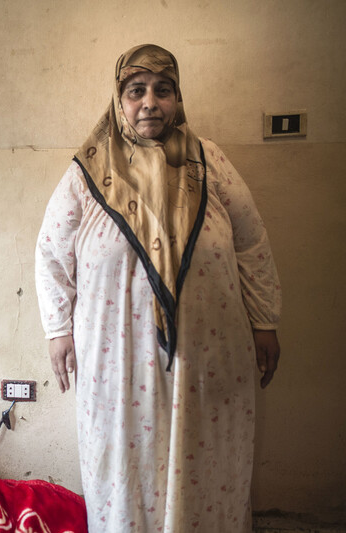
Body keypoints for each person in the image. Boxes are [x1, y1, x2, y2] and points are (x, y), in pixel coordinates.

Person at [34, 44, 281, 533]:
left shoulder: (209, 161)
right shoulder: (87, 172)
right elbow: (50, 254)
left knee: (205, 457)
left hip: (209, 357)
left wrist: (265, 320)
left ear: (177, 98)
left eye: (162, 90)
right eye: (136, 91)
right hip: (116, 363)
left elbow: (251, 242)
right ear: (119, 100)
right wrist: (57, 329)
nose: (150, 102)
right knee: (126, 460)